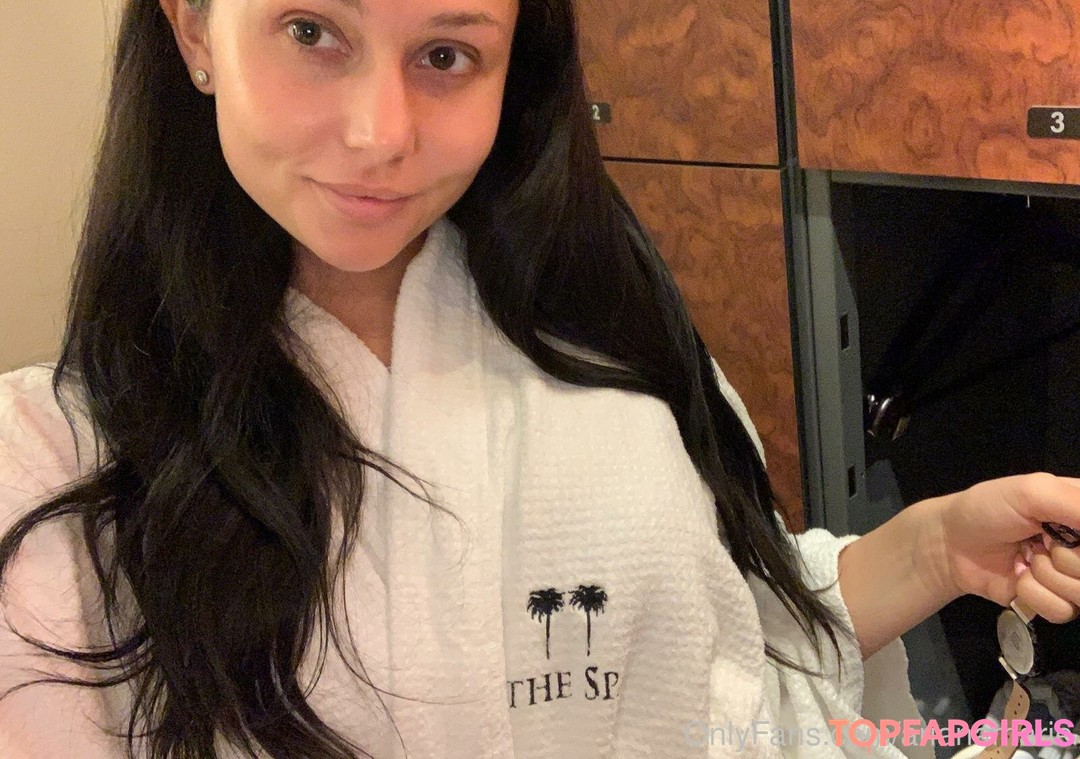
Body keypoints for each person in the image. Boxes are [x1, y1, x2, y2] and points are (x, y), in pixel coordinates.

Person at [1, 0, 1078, 756]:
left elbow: (717, 644)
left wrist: (932, 549)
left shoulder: (608, 338)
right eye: (312, 32)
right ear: (194, 27)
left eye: (446, 54)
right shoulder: (49, 473)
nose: (381, 134)